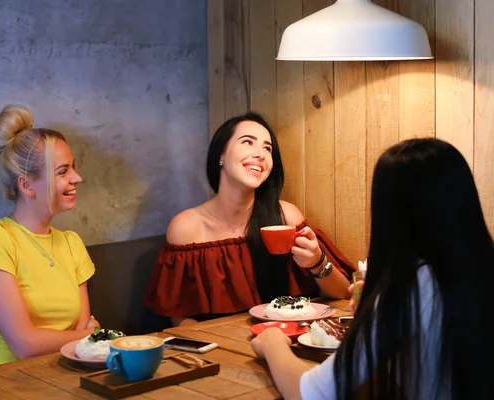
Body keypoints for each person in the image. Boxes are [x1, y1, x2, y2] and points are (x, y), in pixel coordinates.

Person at [251, 138, 494, 399]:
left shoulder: (410, 288)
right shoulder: (475, 271)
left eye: (267, 147)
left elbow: (310, 393)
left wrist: (273, 344)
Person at [144, 112, 354, 327]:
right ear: (221, 155)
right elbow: (182, 320)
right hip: (223, 350)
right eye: (247, 142)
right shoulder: (186, 227)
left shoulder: (286, 217)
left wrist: (317, 261)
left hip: (290, 341)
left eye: (267, 148)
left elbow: (343, 295)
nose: (260, 154)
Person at [0, 105, 100, 370]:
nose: (77, 178)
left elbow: (80, 342)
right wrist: (88, 336)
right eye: (62, 172)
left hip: (58, 377)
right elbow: (24, 344)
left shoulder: (71, 244)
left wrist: (84, 337)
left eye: (73, 167)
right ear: (26, 185)